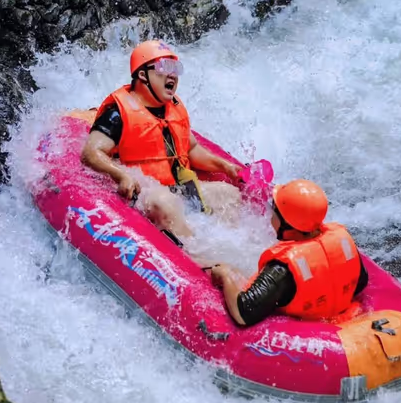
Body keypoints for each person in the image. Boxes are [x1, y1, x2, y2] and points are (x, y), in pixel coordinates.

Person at [81, 39, 242, 242]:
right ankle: (197, 257)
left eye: (175, 68)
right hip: (145, 192)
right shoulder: (117, 114)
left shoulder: (173, 109)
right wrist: (121, 176)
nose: (173, 74)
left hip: (178, 187)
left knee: (229, 194)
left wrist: (224, 166)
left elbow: (191, 149)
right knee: (164, 201)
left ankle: (227, 248)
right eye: (164, 67)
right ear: (142, 74)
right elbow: (90, 152)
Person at [211, 179, 369, 326]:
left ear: (286, 223)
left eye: (274, 212)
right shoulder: (344, 242)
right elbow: (360, 282)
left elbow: (244, 312)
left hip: (312, 330)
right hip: (344, 316)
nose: (270, 215)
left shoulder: (282, 269)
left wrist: (225, 274)